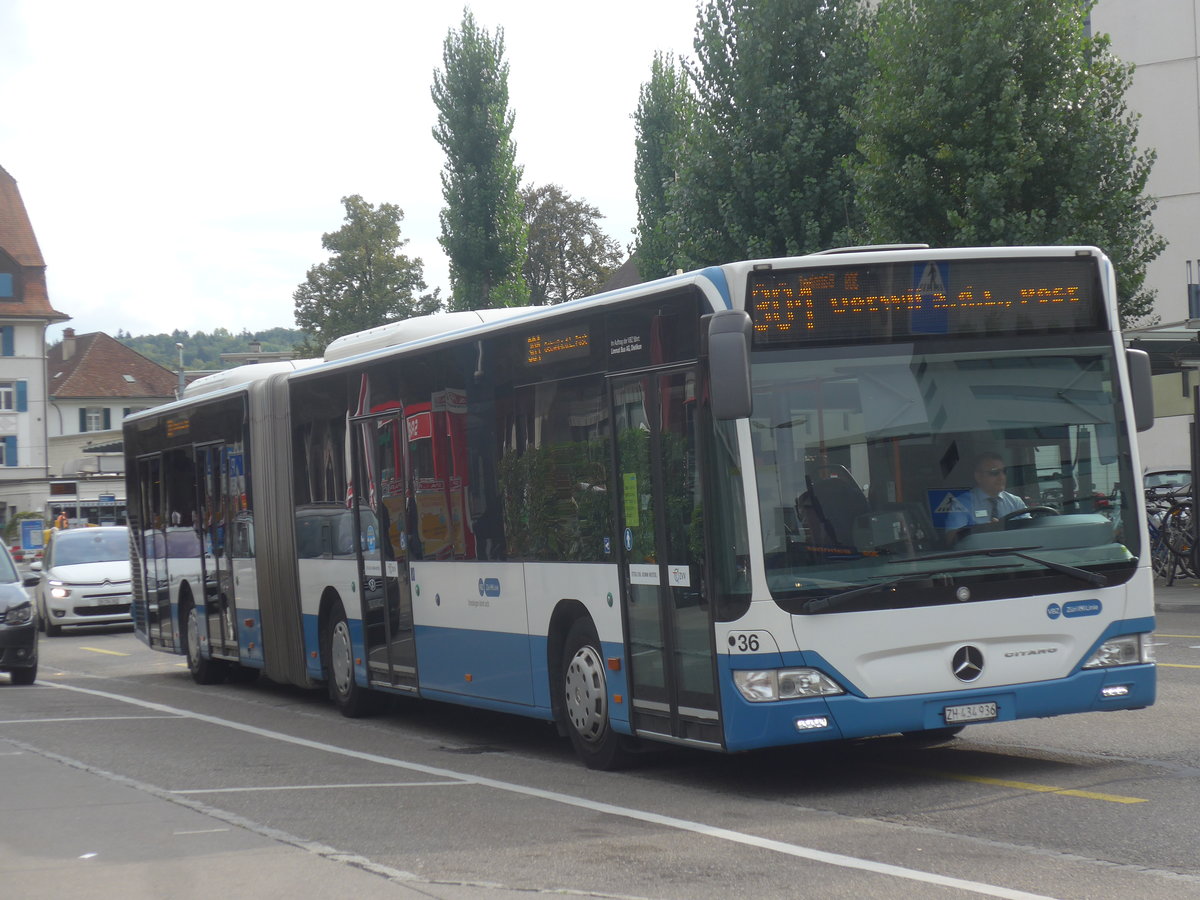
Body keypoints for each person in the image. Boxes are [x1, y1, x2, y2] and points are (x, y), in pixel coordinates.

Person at [961, 451, 1026, 526]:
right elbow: (954, 533)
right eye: (994, 472)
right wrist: (982, 530)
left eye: (1004, 471)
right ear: (978, 476)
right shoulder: (962, 504)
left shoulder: (1015, 502)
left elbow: (1029, 527)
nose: (1002, 477)